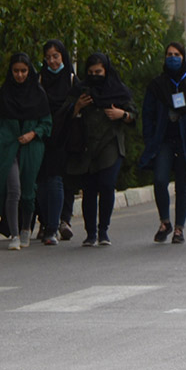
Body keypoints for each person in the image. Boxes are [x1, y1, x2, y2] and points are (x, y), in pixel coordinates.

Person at [0, 53, 51, 251]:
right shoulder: (5, 94)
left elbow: (47, 123)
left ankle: (26, 229)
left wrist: (33, 133)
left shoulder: (38, 94)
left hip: (31, 150)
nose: (20, 75)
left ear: (29, 71)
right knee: (14, 190)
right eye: (16, 71)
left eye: (23, 71)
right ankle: (14, 235)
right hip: (7, 149)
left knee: (28, 192)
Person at [59, 52, 136, 247]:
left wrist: (122, 114)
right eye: (91, 72)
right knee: (89, 189)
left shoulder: (117, 89)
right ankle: (91, 233)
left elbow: (133, 115)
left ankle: (103, 231)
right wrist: (77, 106)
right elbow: (64, 115)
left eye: (98, 72)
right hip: (86, 145)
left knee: (107, 184)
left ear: (106, 71)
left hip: (110, 144)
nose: (94, 76)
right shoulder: (81, 90)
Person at [138, 42, 186, 244]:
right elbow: (148, 114)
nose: (173, 58)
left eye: (177, 54)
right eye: (169, 54)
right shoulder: (157, 85)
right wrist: (150, 138)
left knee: (182, 186)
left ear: (183, 57)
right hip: (163, 141)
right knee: (160, 180)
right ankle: (165, 222)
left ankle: (179, 229)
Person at [34, 39, 77, 243]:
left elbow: (78, 105)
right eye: (48, 57)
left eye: (56, 56)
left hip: (66, 137)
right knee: (43, 181)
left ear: (63, 57)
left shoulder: (71, 79)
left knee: (62, 179)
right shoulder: (39, 79)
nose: (52, 61)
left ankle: (62, 221)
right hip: (44, 135)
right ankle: (46, 221)